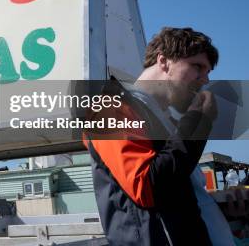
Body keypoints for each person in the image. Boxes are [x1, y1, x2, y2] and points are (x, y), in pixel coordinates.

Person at [85, 27, 232, 245]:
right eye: (197, 67)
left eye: (208, 72)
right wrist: (199, 122)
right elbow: (147, 187)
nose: (205, 80)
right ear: (164, 61)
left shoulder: (170, 122)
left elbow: (180, 195)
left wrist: (226, 205)